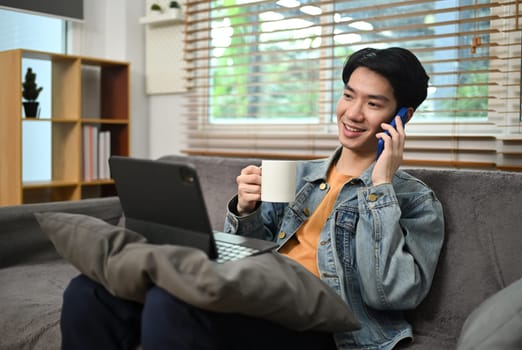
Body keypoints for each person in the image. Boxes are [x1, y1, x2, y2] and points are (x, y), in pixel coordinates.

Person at [60, 47, 444, 350]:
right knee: (89, 292)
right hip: (259, 294)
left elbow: (391, 293)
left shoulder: (413, 199)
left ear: (402, 118)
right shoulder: (300, 174)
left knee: (171, 304)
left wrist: (379, 188)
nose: (353, 113)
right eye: (348, 96)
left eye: (373, 104)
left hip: (326, 326)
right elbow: (250, 249)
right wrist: (246, 210)